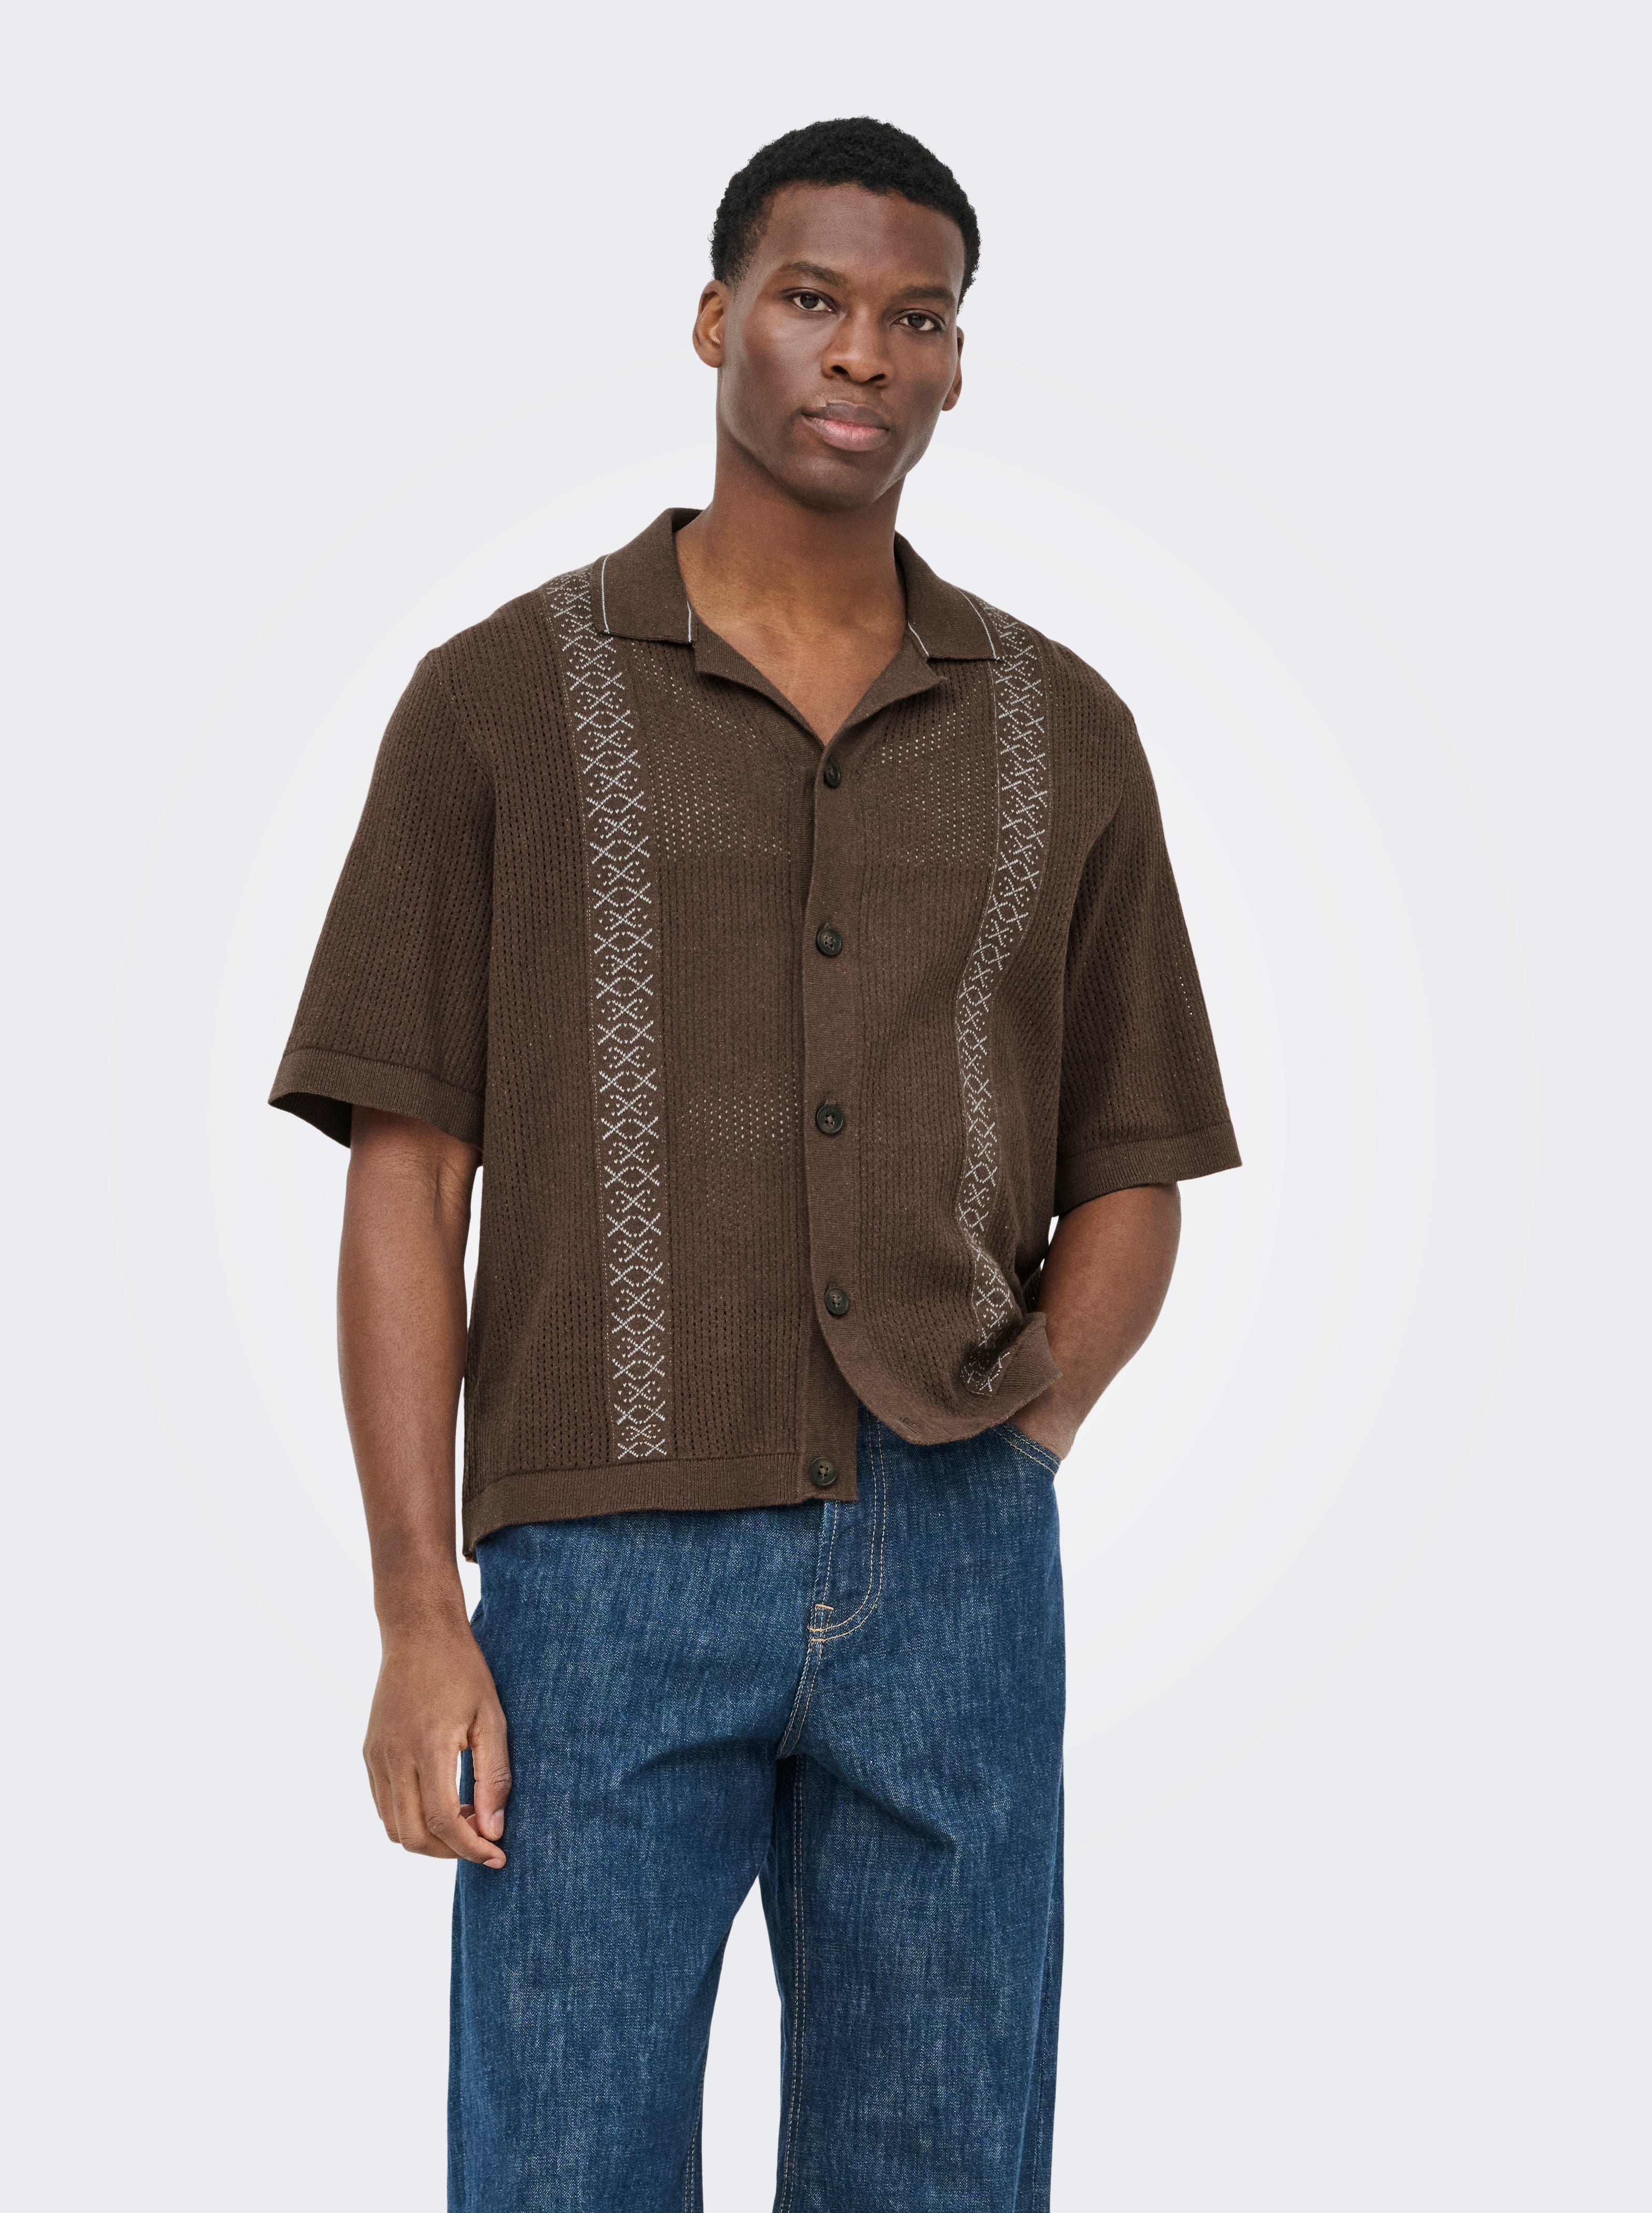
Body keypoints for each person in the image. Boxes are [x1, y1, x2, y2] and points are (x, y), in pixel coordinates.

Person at [270, 115, 1239, 2212]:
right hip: (598, 1574)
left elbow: (1137, 1155)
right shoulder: (499, 704)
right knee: (562, 2167)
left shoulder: (1062, 728)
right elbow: (405, 1176)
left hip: (957, 1560)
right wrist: (419, 1610)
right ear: (716, 320)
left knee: (944, 2171)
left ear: (958, 361)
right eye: (814, 298)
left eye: (918, 317)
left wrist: (1023, 1435)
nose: (864, 352)